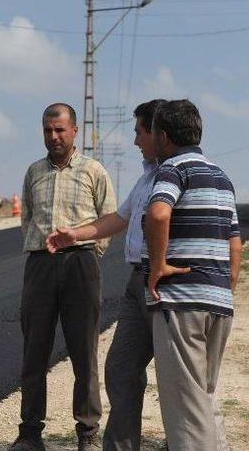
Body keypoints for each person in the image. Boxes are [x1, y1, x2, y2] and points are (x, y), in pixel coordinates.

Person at [46, 99, 161, 450]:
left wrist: (88, 251)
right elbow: (119, 218)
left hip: (161, 285)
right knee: (121, 369)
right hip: (132, 281)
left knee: (177, 378)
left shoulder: (176, 175)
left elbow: (129, 218)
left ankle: (189, 441)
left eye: (139, 132)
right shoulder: (146, 178)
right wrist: (74, 234)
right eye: (47, 130)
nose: (134, 140)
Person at [13, 103, 116, 451]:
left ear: (74, 131)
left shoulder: (93, 171)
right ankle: (29, 434)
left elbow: (109, 219)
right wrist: (41, 252)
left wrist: (89, 254)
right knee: (34, 353)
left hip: (80, 266)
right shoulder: (33, 172)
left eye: (59, 130)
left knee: (83, 353)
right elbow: (26, 219)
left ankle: (87, 434)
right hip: (40, 267)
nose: (53, 136)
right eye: (47, 130)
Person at [143, 99, 241, 450]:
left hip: (182, 303)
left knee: (185, 410)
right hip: (218, 303)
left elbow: (157, 214)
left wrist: (157, 266)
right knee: (204, 397)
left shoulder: (172, 170)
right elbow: (235, 242)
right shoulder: (222, 177)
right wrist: (224, 286)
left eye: (152, 132)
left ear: (164, 136)